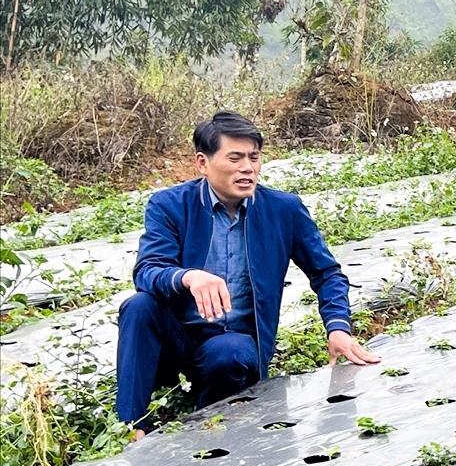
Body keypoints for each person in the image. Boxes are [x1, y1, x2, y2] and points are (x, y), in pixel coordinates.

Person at [117, 111, 380, 437]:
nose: (247, 168)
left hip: (233, 347)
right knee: (138, 306)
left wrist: (338, 328)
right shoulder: (170, 205)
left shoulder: (283, 210)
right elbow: (148, 270)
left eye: (254, 158)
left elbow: (327, 273)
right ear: (203, 163)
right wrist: (188, 276)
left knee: (230, 352)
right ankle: (131, 426)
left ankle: (203, 428)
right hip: (178, 342)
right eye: (235, 158)